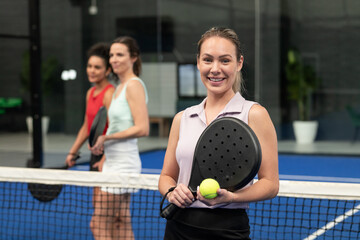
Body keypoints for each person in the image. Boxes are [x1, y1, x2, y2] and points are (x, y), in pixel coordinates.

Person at [158, 27, 279, 240]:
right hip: (177, 228)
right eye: (207, 60)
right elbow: (167, 176)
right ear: (198, 63)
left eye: (225, 60)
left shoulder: (255, 114)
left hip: (228, 229)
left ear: (239, 63)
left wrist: (232, 196)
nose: (215, 69)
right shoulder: (182, 119)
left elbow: (270, 184)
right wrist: (171, 191)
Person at [90, 36, 149, 240]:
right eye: (112, 55)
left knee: (99, 224)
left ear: (133, 57)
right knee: (120, 222)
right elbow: (119, 126)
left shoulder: (133, 85)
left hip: (124, 163)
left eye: (120, 54)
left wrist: (106, 139)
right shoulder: (118, 89)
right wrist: (106, 155)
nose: (114, 59)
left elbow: (142, 128)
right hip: (114, 162)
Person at [65, 42, 115, 171]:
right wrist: (73, 152)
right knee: (95, 192)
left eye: (97, 67)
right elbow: (87, 127)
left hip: (110, 154)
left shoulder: (109, 94)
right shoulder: (90, 93)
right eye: (90, 66)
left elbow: (115, 128)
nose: (92, 71)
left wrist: (105, 159)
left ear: (108, 70)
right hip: (95, 153)